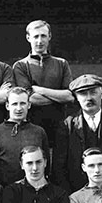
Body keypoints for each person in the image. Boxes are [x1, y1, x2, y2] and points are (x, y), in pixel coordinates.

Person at [12, 20, 74, 148]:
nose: (39, 41)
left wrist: (39, 89)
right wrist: (58, 96)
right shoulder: (20, 66)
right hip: (31, 129)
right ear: (28, 38)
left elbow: (69, 96)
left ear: (49, 36)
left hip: (59, 128)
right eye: (36, 36)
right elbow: (29, 98)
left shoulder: (61, 64)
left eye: (43, 36)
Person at [0, 87, 49, 186]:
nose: (19, 108)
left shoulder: (39, 132)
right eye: (14, 104)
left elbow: (45, 166)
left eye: (22, 103)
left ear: (29, 105)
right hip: (4, 192)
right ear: (7, 106)